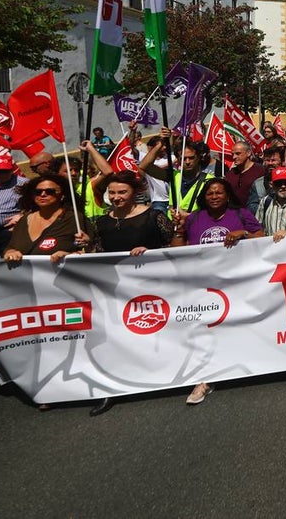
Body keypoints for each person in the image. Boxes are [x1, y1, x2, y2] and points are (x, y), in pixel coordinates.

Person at [81, 170, 175, 416]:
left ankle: (170, 373)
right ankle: (110, 388)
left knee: (161, 334)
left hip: (154, 287)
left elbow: (175, 249)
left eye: (122, 192)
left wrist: (151, 251)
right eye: (112, 192)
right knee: (112, 338)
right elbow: (99, 254)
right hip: (115, 291)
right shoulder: (101, 222)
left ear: (136, 193)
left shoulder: (155, 217)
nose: (116, 197)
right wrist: (86, 247)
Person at [172, 178, 263, 405]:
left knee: (239, 328)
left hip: (236, 284)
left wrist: (243, 233)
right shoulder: (193, 218)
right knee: (205, 332)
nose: (214, 197)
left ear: (227, 195)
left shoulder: (241, 214)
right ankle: (204, 379)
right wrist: (179, 229)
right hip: (203, 285)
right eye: (210, 193)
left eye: (219, 193)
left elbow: (262, 238)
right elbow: (177, 249)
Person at [1, 173, 92, 265]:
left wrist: (70, 256)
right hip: (26, 277)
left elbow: (93, 251)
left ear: (62, 195)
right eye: (38, 192)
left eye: (50, 191)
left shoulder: (75, 219)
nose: (43, 194)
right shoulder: (24, 220)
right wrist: (10, 253)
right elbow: (10, 247)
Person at [0, 153, 27, 259]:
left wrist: (22, 215)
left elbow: (38, 206)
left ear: (12, 169)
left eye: (5, 171)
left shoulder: (23, 184)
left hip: (8, 233)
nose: (1, 174)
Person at [256, 167, 286, 241]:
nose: (283, 186)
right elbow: (257, 228)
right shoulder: (266, 201)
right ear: (271, 185)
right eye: (278, 183)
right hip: (270, 249)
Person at [224, 141, 264, 208]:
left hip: (253, 214)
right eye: (233, 154)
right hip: (234, 213)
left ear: (248, 153)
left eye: (238, 153)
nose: (234, 157)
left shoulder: (260, 171)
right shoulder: (230, 174)